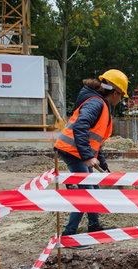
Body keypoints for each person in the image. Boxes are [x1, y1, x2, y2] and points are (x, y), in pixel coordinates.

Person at [54, 69, 128, 237]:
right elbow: (80, 127)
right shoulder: (96, 103)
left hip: (78, 151)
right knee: (86, 192)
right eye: (121, 95)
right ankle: (69, 234)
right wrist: (87, 156)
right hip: (73, 151)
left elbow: (96, 142)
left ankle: (94, 226)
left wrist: (103, 166)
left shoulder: (101, 104)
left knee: (93, 187)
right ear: (115, 92)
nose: (121, 99)